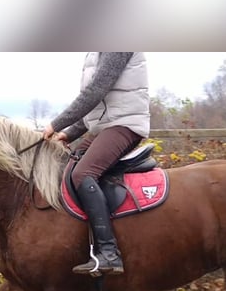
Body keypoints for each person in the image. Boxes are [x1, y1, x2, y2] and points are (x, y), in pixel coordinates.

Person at [43, 52, 150, 276]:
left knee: (83, 173)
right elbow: (97, 104)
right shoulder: (94, 52)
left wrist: (56, 123)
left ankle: (110, 253)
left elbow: (96, 91)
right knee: (66, 167)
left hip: (124, 124)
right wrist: (68, 134)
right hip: (104, 127)